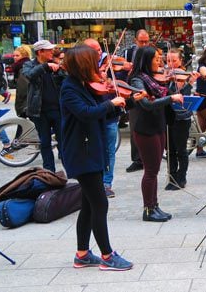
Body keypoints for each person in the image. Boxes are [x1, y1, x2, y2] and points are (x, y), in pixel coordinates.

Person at [59, 45, 133, 271]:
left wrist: (129, 101)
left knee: (89, 205)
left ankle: (82, 254)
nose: (100, 67)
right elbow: (86, 114)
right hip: (82, 154)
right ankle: (107, 256)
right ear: (84, 65)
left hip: (91, 150)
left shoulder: (85, 86)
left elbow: (103, 114)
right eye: (95, 62)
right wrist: (111, 102)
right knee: (100, 203)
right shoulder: (69, 89)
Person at [128, 46, 183, 222]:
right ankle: (148, 209)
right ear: (146, 60)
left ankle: (155, 205)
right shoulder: (137, 80)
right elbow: (147, 104)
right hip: (146, 129)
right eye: (156, 58)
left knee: (155, 169)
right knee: (151, 171)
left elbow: (163, 92)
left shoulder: (151, 78)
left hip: (158, 126)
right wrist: (170, 98)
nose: (160, 61)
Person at [84, 38, 121, 198]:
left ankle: (107, 183)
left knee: (110, 151)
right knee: (94, 150)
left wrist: (110, 85)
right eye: (96, 50)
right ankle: (95, 182)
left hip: (110, 115)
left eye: (100, 49)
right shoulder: (82, 72)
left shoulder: (107, 69)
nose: (100, 53)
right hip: (94, 118)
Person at [22, 40, 66, 172]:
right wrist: (45, 67)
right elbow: (29, 75)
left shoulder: (55, 64)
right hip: (39, 111)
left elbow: (65, 80)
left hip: (57, 109)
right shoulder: (29, 64)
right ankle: (49, 172)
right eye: (49, 50)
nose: (52, 52)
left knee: (63, 142)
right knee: (45, 142)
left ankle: (70, 170)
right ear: (40, 52)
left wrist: (60, 70)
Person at [165, 48, 198, 190]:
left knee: (181, 150)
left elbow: (181, 98)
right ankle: (172, 177)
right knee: (170, 150)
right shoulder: (165, 76)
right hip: (168, 117)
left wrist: (189, 83)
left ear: (181, 61)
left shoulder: (184, 77)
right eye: (168, 61)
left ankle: (181, 177)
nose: (170, 64)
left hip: (182, 118)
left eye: (174, 61)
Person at [123, 29, 151, 173]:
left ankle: (150, 157)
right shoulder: (128, 53)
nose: (145, 44)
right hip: (133, 92)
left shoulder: (152, 52)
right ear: (135, 41)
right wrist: (125, 69)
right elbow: (119, 73)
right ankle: (137, 159)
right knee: (135, 126)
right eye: (141, 41)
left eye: (147, 41)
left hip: (149, 91)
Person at [12, 45, 32, 119]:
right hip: (27, 103)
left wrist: (20, 106)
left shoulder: (23, 68)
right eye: (14, 55)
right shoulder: (24, 66)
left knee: (24, 127)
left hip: (26, 104)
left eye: (17, 55)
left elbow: (23, 90)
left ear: (24, 56)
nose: (15, 57)